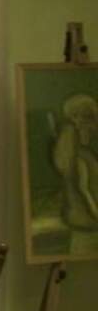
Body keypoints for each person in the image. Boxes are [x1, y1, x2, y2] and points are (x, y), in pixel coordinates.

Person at [52, 93, 98, 230]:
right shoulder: (79, 157)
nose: (94, 126)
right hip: (85, 218)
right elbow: (85, 190)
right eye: (90, 118)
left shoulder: (84, 154)